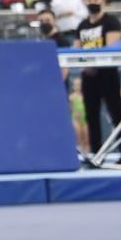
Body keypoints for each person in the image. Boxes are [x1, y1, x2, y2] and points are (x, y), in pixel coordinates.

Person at [75, 0, 121, 165]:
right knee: (91, 115)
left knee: (116, 113)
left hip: (107, 75)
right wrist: (84, 65)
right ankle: (97, 153)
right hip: (88, 77)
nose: (93, 2)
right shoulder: (82, 25)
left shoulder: (111, 22)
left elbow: (111, 49)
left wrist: (92, 63)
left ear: (103, 1)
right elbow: (76, 49)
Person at [38, 8, 86, 152]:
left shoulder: (61, 40)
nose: (44, 23)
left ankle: (73, 147)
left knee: (64, 118)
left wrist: (57, 85)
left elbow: (65, 67)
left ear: (54, 21)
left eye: (47, 20)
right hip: (44, 86)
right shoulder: (42, 41)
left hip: (57, 86)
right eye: (41, 21)